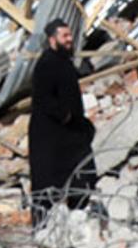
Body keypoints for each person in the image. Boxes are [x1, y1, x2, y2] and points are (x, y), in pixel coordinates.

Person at [27, 18, 97, 222]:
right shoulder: (47, 64)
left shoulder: (63, 62)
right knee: (46, 184)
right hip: (50, 136)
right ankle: (42, 228)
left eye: (70, 35)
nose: (69, 40)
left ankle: (79, 219)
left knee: (84, 175)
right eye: (64, 36)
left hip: (70, 133)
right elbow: (42, 99)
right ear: (52, 40)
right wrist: (64, 116)